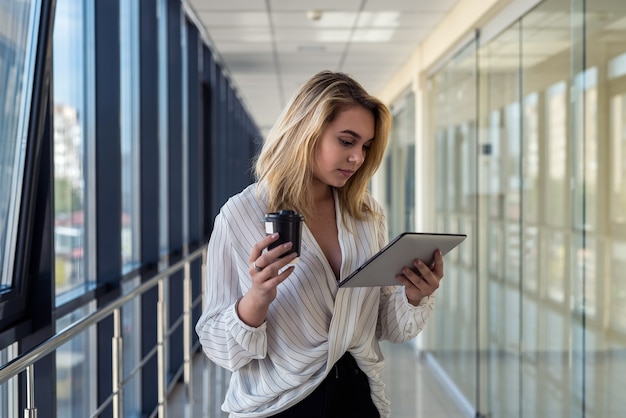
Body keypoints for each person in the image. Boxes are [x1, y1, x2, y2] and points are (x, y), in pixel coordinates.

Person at [195, 70, 444, 418]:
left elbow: (382, 323)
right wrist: (257, 299)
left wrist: (415, 294)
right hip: (279, 407)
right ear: (305, 133)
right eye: (346, 141)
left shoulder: (367, 214)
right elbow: (215, 345)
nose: (358, 157)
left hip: (358, 397)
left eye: (365, 146)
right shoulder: (241, 216)